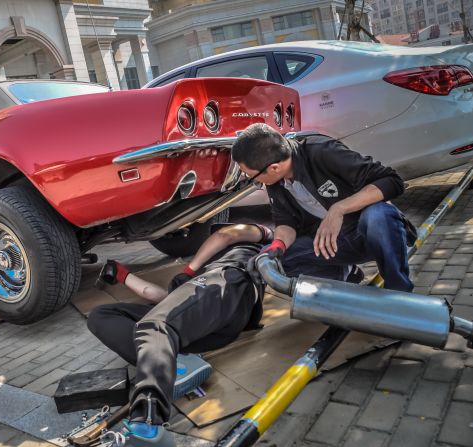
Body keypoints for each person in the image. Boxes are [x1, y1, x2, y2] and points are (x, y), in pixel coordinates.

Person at [87, 223, 273, 447]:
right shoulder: (201, 279)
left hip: (229, 287)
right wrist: (122, 275)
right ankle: (170, 362)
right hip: (197, 323)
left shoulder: (253, 245)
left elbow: (225, 234)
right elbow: (163, 301)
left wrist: (189, 270)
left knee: (156, 326)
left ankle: (148, 424)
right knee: (101, 315)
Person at [231, 123, 414, 292]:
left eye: (252, 177)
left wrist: (339, 209)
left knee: (378, 215)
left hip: (371, 234)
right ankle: (342, 279)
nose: (254, 182)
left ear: (274, 168)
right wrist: (276, 247)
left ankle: (399, 292)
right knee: (272, 262)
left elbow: (392, 181)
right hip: (331, 245)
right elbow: (286, 222)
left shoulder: (322, 151)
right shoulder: (275, 182)